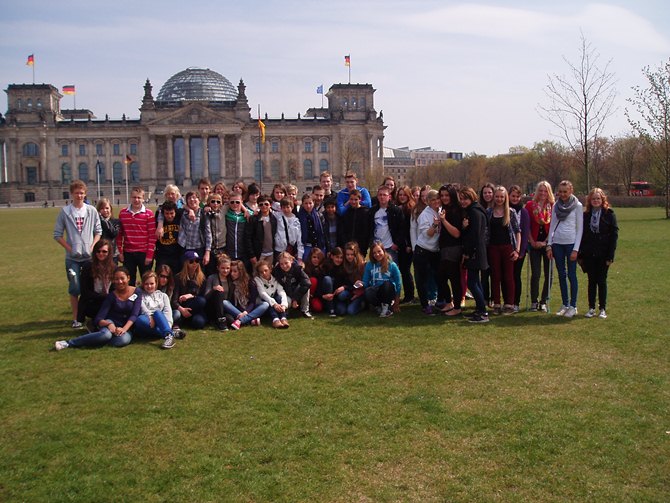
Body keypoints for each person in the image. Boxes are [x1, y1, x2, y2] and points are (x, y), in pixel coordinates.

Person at [54, 179, 102, 328]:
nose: (79, 196)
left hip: (88, 257)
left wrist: (93, 246)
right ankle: (76, 318)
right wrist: (70, 249)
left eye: (81, 193)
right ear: (72, 194)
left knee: (90, 288)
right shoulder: (65, 212)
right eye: (76, 193)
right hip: (72, 258)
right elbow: (57, 235)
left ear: (85, 194)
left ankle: (91, 315)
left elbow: (98, 231)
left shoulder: (91, 210)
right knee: (75, 287)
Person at [54, 267, 140, 350]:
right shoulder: (111, 296)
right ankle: (68, 343)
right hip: (110, 323)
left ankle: (96, 338)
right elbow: (99, 318)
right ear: (113, 280)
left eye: (122, 278)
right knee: (106, 335)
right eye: (116, 279)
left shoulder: (137, 292)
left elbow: (134, 315)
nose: (120, 281)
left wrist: (124, 329)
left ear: (128, 278)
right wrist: (109, 324)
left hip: (125, 326)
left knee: (123, 340)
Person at [579, 188, 618, 319]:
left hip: (603, 254)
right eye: (593, 199)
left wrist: (610, 256)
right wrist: (581, 255)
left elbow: (614, 236)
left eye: (598, 199)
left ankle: (602, 308)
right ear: (590, 200)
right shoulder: (585, 215)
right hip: (589, 254)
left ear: (602, 200)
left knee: (601, 281)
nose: (596, 201)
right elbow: (582, 235)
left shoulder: (609, 214)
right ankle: (591, 308)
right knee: (591, 281)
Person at [547, 180, 583, 318]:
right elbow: (552, 226)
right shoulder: (556, 205)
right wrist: (549, 245)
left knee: (571, 275)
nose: (562, 194)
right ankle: (565, 304)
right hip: (557, 244)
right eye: (560, 192)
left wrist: (576, 249)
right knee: (561, 274)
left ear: (571, 191)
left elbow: (580, 229)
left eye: (565, 191)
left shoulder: (577, 206)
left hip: (571, 243)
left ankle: (573, 306)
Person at [486, 186, 521, 315]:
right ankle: (496, 303)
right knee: (495, 276)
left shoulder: (510, 212)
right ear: (494, 197)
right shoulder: (489, 212)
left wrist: (517, 250)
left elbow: (518, 231)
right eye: (497, 196)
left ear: (505, 197)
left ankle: (509, 304)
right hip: (493, 247)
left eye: (502, 196)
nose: (499, 199)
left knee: (509, 277)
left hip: (508, 247)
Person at [459, 186, 490, 323]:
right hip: (478, 251)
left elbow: (475, 235)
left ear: (471, 197)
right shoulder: (476, 210)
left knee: (472, 283)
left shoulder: (474, 212)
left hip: (475, 252)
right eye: (461, 199)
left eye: (465, 198)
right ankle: (480, 309)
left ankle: (483, 311)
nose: (463, 202)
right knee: (475, 281)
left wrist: (467, 253)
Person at [525, 180, 554, 313]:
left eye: (545, 190)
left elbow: (554, 226)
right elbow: (527, 226)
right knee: (536, 274)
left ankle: (544, 301)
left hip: (549, 244)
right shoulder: (530, 205)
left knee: (549, 274)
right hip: (534, 243)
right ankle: (534, 301)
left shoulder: (553, 206)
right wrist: (532, 241)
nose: (543, 193)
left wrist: (547, 242)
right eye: (540, 190)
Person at [117, 186, 156, 285]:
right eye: (134, 197)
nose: (136, 200)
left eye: (139, 197)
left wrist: (149, 255)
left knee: (146, 281)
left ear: (143, 198)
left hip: (144, 252)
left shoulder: (149, 214)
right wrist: (120, 252)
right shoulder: (123, 213)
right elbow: (119, 235)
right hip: (128, 253)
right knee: (129, 281)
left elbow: (152, 236)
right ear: (130, 198)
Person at [437, 184, 464, 316]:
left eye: (447, 195)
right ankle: (449, 302)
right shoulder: (444, 208)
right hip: (444, 247)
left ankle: (457, 307)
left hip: (454, 247)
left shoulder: (456, 210)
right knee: (441, 277)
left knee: (454, 278)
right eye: (442, 195)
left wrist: (443, 221)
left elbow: (457, 233)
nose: (444, 198)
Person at [415, 189, 442, 315]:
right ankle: (425, 305)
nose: (436, 202)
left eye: (438, 199)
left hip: (435, 251)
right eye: (433, 200)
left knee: (437, 277)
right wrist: (435, 225)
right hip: (423, 250)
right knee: (423, 280)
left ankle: (438, 302)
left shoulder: (440, 211)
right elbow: (428, 234)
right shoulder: (424, 215)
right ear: (428, 201)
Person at [76, 239, 116, 327]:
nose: (101, 254)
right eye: (98, 251)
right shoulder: (88, 266)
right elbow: (85, 291)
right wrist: (103, 297)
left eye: (104, 251)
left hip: (107, 300)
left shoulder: (113, 268)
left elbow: (114, 289)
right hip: (92, 301)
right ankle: (95, 322)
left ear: (109, 253)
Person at [134, 271, 176, 349]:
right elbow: (143, 309)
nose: (149, 286)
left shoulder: (163, 296)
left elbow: (168, 312)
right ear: (143, 284)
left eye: (152, 283)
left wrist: (169, 325)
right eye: (146, 284)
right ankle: (169, 332)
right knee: (140, 320)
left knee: (158, 312)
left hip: (161, 321)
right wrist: (150, 317)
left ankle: (168, 335)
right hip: (147, 321)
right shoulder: (140, 295)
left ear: (156, 283)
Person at [223, 260, 269, 329]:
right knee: (225, 302)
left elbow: (252, 301)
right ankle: (250, 321)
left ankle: (241, 321)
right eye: (231, 271)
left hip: (249, 309)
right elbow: (232, 302)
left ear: (241, 272)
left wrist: (246, 312)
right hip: (236, 310)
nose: (232, 274)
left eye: (235, 271)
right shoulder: (230, 282)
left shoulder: (250, 282)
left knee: (265, 304)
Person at [363, 241, 402, 318]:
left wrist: (397, 302)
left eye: (379, 251)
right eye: (374, 253)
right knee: (368, 291)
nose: (377, 254)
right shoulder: (369, 265)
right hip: (376, 290)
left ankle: (386, 307)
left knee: (386, 284)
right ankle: (379, 307)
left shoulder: (392, 265)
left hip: (388, 290)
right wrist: (360, 284)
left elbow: (398, 283)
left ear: (383, 251)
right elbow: (365, 282)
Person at [172, 250, 208, 329]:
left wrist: (190, 295)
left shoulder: (202, 278)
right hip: (183, 306)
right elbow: (174, 300)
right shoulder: (178, 278)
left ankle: (187, 319)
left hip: (196, 307)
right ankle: (184, 317)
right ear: (186, 263)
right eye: (191, 261)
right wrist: (182, 309)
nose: (195, 263)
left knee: (199, 321)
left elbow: (203, 297)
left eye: (197, 261)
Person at [368, 185, 404, 263]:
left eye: (384, 195)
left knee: (390, 271)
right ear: (377, 196)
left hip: (390, 247)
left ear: (389, 197)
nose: (382, 197)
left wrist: (396, 244)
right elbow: (368, 228)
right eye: (380, 195)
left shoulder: (396, 211)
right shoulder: (372, 211)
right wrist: (371, 243)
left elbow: (402, 228)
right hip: (376, 247)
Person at [509, 185, 530, 313]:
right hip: (507, 248)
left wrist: (521, 251)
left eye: (517, 196)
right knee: (507, 277)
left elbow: (525, 232)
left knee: (516, 276)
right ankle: (508, 301)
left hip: (519, 250)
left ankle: (516, 302)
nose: (515, 198)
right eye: (513, 196)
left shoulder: (524, 212)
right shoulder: (504, 210)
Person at [274, 251, 313, 318]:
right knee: (286, 301)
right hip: (285, 294)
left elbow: (307, 282)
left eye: (286, 263)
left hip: (297, 292)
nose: (284, 266)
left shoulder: (297, 268)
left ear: (291, 261)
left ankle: (305, 310)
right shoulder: (277, 271)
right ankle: (287, 311)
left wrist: (295, 298)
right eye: (281, 264)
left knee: (306, 288)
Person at [178, 191, 211, 269]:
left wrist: (207, 253)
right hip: (184, 248)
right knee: (184, 274)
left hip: (199, 248)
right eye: (189, 198)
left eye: (194, 197)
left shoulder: (204, 214)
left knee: (199, 274)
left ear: (199, 200)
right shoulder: (182, 213)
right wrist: (189, 210)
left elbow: (208, 235)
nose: (192, 200)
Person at [395, 185, 416, 304]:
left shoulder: (410, 209)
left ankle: (410, 295)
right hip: (400, 243)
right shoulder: (398, 208)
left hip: (407, 244)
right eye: (400, 194)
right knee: (403, 270)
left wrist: (409, 244)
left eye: (404, 195)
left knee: (405, 270)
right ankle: (407, 295)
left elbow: (409, 228)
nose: (402, 197)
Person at [254, 260, 289, 329]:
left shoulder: (275, 279)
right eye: (261, 272)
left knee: (279, 297)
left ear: (270, 269)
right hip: (262, 303)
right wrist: (274, 304)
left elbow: (281, 291)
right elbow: (262, 294)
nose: (264, 273)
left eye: (266, 270)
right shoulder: (257, 279)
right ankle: (275, 320)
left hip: (273, 303)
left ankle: (283, 318)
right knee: (269, 302)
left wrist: (284, 305)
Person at [337, 241, 367, 315]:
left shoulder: (362, 265)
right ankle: (347, 303)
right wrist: (346, 287)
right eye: (347, 255)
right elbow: (346, 282)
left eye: (352, 254)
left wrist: (359, 292)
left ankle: (363, 304)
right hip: (350, 290)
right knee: (341, 297)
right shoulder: (344, 265)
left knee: (350, 311)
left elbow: (365, 282)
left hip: (360, 292)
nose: (349, 257)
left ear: (356, 254)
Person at [246, 195, 277, 267]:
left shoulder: (274, 219)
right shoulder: (253, 219)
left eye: (266, 204)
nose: (264, 206)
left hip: (271, 253)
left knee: (268, 274)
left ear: (270, 205)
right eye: (261, 204)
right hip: (258, 254)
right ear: (258, 206)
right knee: (257, 275)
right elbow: (248, 238)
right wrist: (252, 255)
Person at [204, 254, 233, 331]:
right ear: (218, 268)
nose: (225, 270)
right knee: (219, 291)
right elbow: (206, 296)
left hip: (225, 307)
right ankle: (220, 321)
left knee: (231, 320)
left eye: (227, 268)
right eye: (223, 268)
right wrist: (214, 289)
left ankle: (218, 320)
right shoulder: (212, 278)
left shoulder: (231, 279)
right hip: (213, 306)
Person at [154, 200, 183, 274]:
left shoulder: (179, 217)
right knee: (160, 277)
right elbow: (159, 210)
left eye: (171, 213)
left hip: (176, 255)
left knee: (176, 278)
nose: (169, 216)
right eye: (166, 213)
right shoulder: (158, 221)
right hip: (162, 255)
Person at [479, 182, 496, 307]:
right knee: (484, 274)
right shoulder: (480, 207)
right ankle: (485, 298)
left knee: (495, 273)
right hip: (483, 245)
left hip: (495, 244)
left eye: (490, 192)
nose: (487, 195)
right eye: (485, 192)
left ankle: (495, 298)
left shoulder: (498, 207)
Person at [339, 189, 370, 256]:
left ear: (360, 200)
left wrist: (364, 245)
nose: (353, 202)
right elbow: (343, 230)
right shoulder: (347, 213)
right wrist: (345, 243)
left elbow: (367, 231)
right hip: (348, 246)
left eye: (355, 199)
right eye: (351, 199)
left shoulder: (365, 212)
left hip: (361, 246)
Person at [298, 193, 326, 261]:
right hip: (306, 245)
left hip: (318, 244)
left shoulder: (319, 215)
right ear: (302, 204)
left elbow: (323, 231)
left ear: (313, 203)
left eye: (310, 203)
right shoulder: (299, 217)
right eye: (306, 203)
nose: (308, 206)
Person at [304, 247, 333, 314]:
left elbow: (320, 287)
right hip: (309, 295)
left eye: (318, 258)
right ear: (310, 257)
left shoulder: (323, 269)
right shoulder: (306, 269)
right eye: (314, 257)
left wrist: (321, 296)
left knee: (318, 308)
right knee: (312, 280)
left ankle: (329, 307)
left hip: (319, 295)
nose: (316, 260)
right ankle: (306, 305)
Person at [274, 197, 303, 264]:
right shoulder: (277, 216)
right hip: (279, 249)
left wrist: (300, 256)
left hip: (290, 249)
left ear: (292, 207)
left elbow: (299, 239)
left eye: (288, 207)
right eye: (284, 207)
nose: (286, 209)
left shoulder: (296, 221)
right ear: (281, 208)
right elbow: (270, 207)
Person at [97, 197, 120, 263]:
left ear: (110, 209)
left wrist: (104, 220)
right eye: (102, 208)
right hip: (99, 254)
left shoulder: (116, 222)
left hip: (112, 255)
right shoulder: (96, 223)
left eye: (107, 208)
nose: (105, 210)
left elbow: (113, 233)